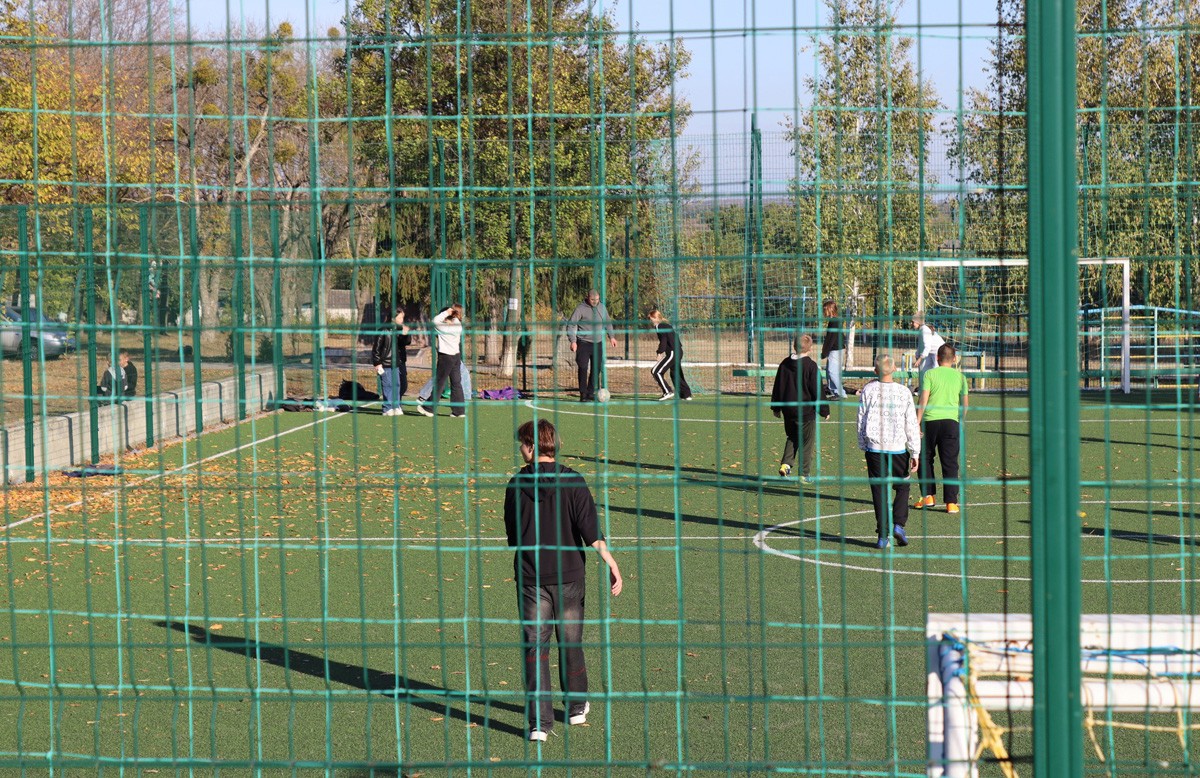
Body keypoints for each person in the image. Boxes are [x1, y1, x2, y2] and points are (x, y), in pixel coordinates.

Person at [504, 419, 623, 742]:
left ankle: (539, 725)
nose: (520, 449)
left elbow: (514, 537)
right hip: (570, 578)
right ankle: (575, 707)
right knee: (570, 643)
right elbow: (590, 532)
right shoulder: (574, 481)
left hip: (531, 580)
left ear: (531, 446)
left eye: (522, 444)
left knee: (535, 648)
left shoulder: (516, 485)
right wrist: (611, 562)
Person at [857, 355, 921, 549]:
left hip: (875, 448)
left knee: (879, 490)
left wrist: (862, 443)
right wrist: (915, 451)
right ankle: (899, 524)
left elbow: (861, 418)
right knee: (902, 485)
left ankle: (883, 535)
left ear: (875, 371)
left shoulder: (868, 390)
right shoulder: (903, 392)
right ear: (894, 369)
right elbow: (910, 423)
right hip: (897, 448)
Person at [914, 343, 969, 514]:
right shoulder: (961, 377)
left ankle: (928, 496)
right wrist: (959, 420)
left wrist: (917, 422)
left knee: (925, 458)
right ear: (955, 359)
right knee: (950, 462)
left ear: (937, 358)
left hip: (930, 421)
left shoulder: (929, 374)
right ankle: (951, 502)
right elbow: (965, 405)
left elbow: (923, 399)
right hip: (951, 423)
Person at [770, 334, 829, 482]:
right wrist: (824, 410)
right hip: (805, 412)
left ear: (794, 346)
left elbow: (778, 385)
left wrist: (776, 407)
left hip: (788, 411)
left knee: (793, 436)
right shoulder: (811, 366)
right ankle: (804, 474)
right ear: (811, 348)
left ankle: (785, 464)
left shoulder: (784, 364)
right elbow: (817, 390)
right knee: (806, 442)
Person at [566, 289, 618, 402]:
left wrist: (612, 337)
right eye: (592, 299)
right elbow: (571, 324)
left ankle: (590, 392)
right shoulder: (580, 308)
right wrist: (573, 341)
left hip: (598, 343)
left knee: (596, 369)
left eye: (597, 299)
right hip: (583, 343)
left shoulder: (602, 308)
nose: (595, 302)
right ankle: (583, 394)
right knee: (583, 368)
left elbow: (608, 323)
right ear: (588, 297)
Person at [418, 304, 466, 419]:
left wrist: (446, 312)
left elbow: (435, 320)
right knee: (456, 383)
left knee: (440, 382)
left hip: (446, 357)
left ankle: (429, 408)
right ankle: (459, 411)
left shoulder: (443, 327)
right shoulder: (458, 325)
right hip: (456, 356)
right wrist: (451, 313)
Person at [647, 307, 692, 401]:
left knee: (656, 371)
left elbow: (664, 340)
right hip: (678, 351)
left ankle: (667, 391)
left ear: (655, 318)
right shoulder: (666, 325)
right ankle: (686, 395)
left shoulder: (660, 326)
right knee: (676, 374)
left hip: (673, 352)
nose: (650, 320)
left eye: (651, 318)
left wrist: (659, 352)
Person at [372, 310, 411, 416]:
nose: (402, 320)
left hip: (396, 363)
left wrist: (406, 334)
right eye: (399, 318)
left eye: (402, 318)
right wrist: (377, 363)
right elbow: (376, 349)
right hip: (385, 364)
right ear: (393, 318)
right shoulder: (383, 330)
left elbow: (406, 342)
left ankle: (396, 406)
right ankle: (387, 408)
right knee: (388, 385)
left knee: (397, 385)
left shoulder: (399, 330)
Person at [820, 300, 847, 399]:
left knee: (832, 371)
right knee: (830, 372)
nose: (824, 312)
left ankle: (841, 393)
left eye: (825, 310)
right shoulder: (835, 321)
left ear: (830, 309)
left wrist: (824, 352)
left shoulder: (834, 322)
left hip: (836, 350)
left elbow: (830, 339)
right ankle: (836, 392)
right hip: (836, 350)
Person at [912, 312, 945, 390]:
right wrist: (917, 354)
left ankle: (937, 389)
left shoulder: (924, 330)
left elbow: (927, 347)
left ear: (918, 322)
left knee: (935, 371)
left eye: (913, 322)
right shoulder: (921, 329)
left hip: (939, 351)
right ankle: (925, 389)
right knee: (925, 371)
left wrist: (920, 359)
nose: (911, 323)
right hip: (931, 352)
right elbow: (921, 345)